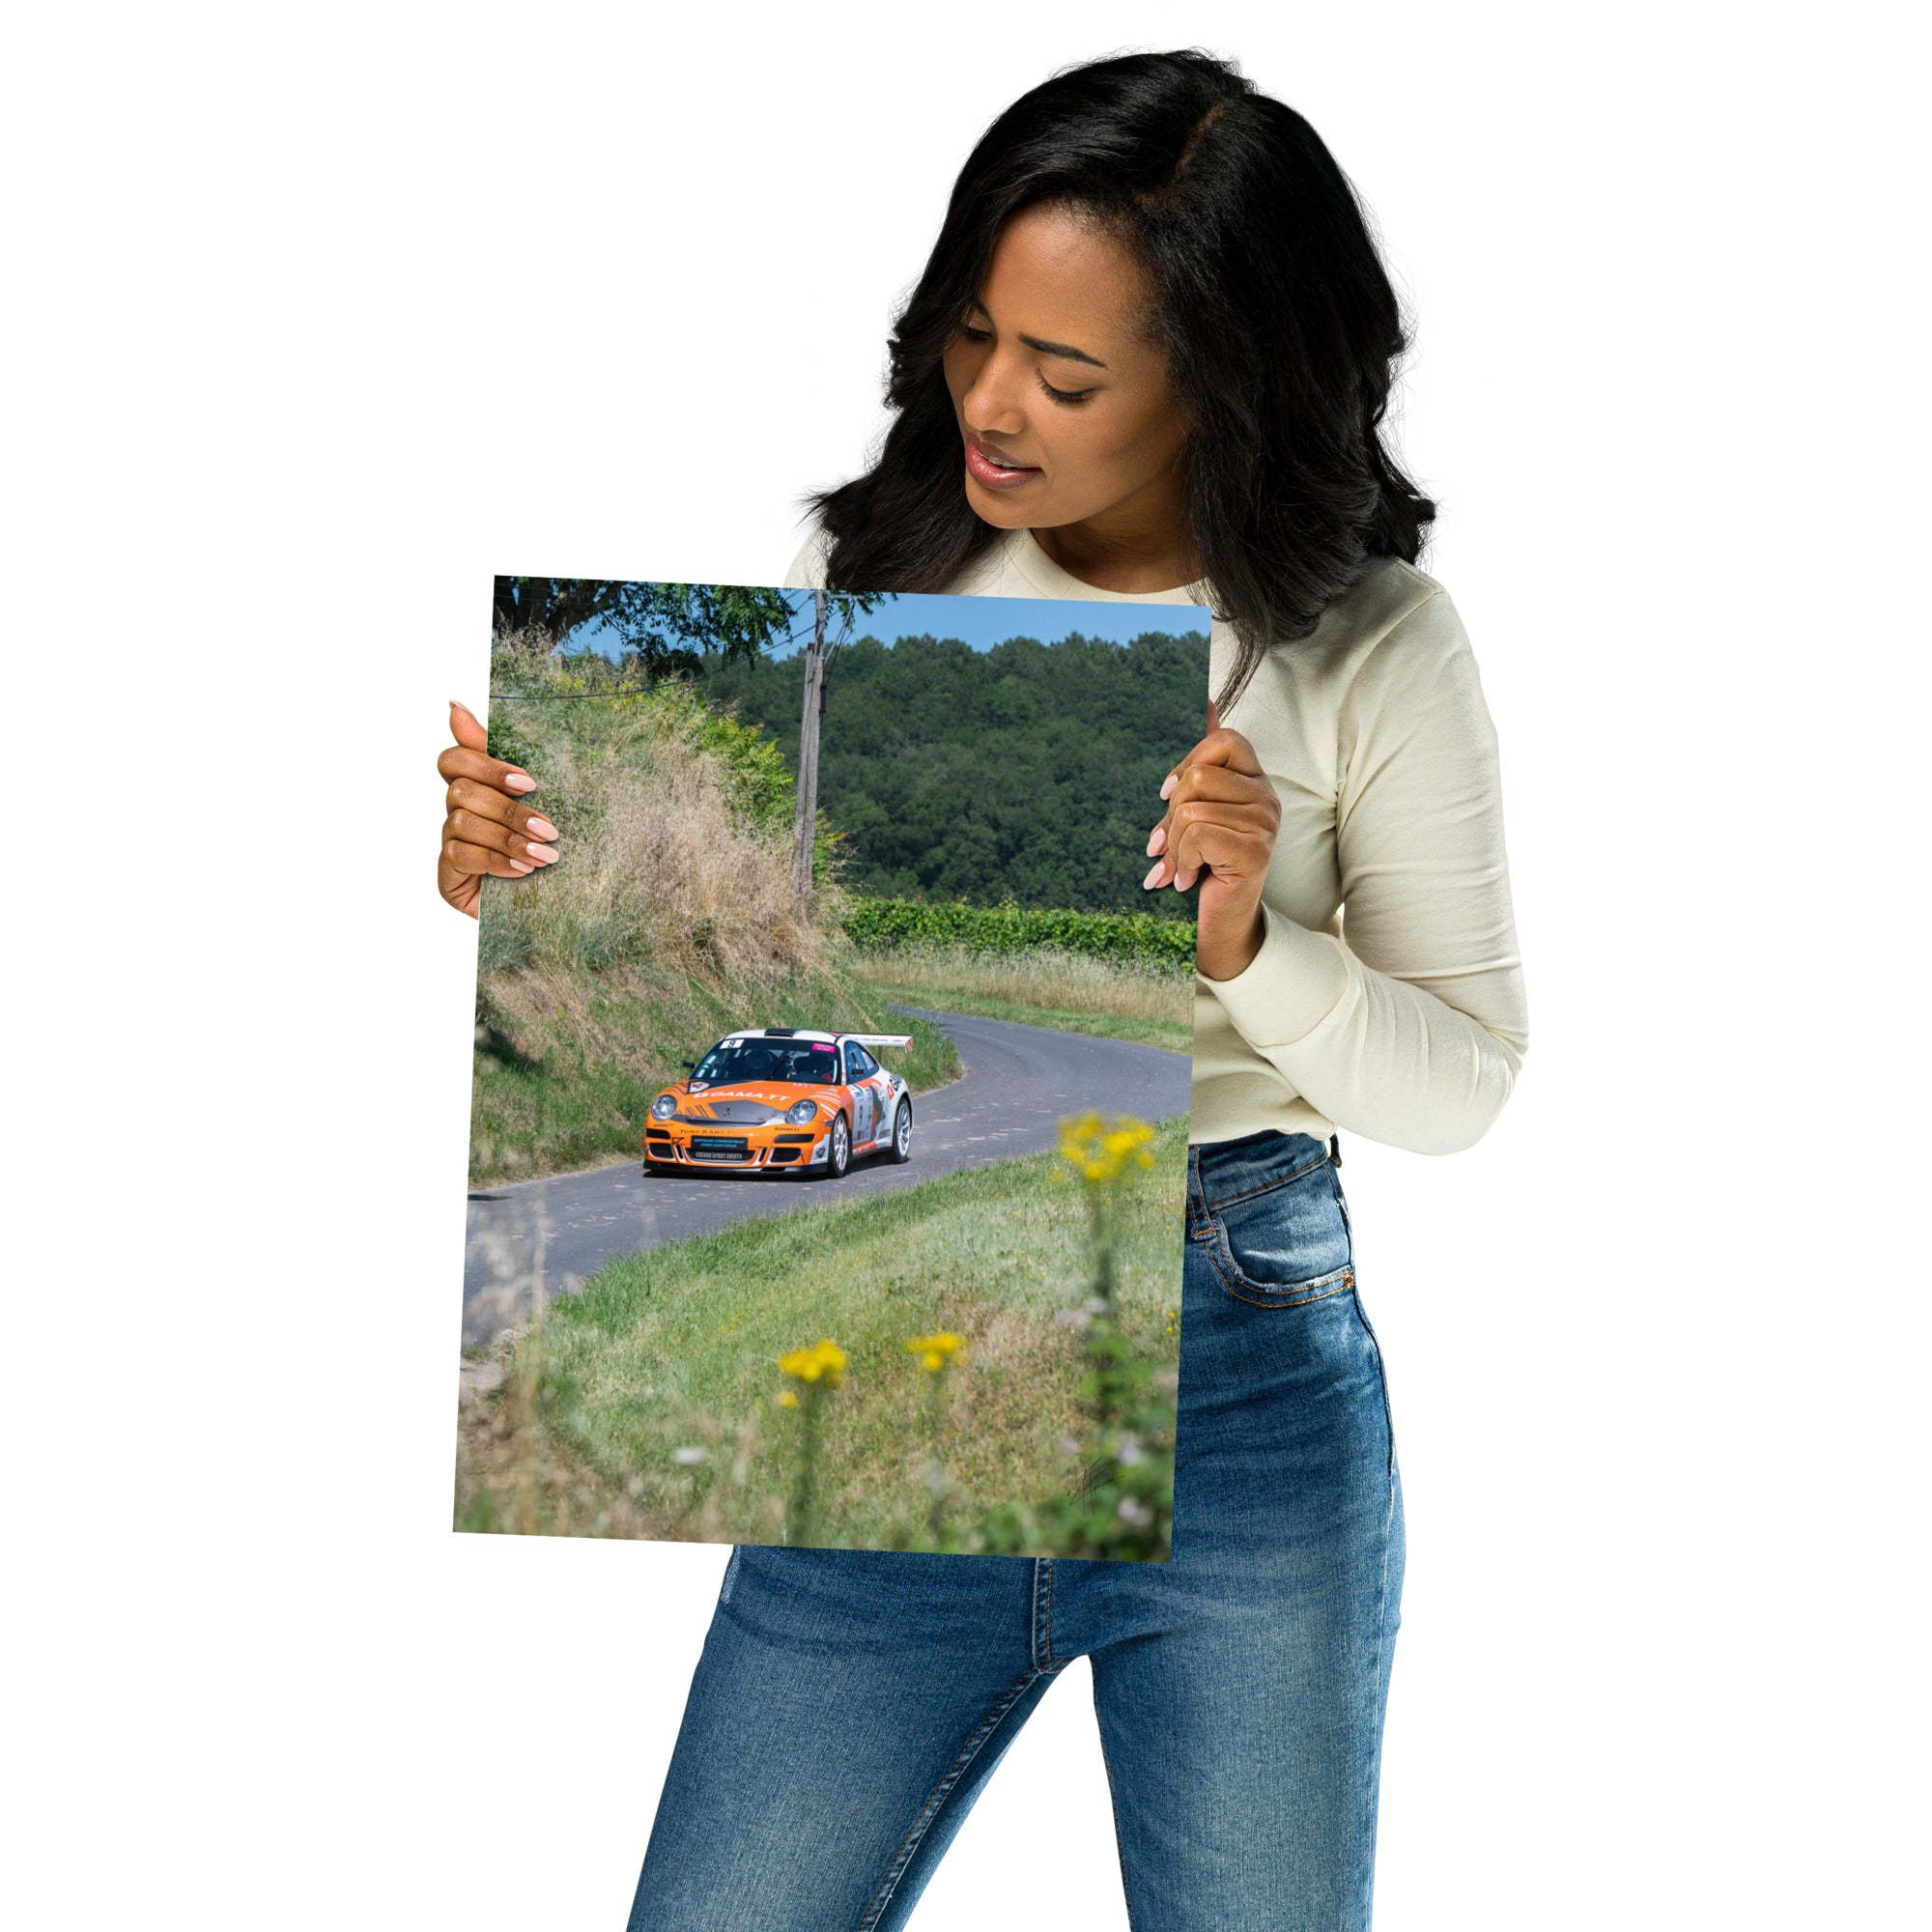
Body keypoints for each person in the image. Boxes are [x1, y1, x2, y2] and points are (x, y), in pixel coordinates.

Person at [437, 50, 1528, 1930]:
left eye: (1067, 370)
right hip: (886, 1421)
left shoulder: (1370, 643)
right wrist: (520, 869)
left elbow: (1463, 1086)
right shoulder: (876, 573)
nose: (990, 403)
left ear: (1223, 385)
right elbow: (762, 932)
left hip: (1246, 1393)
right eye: (971, 335)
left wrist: (1247, 947)